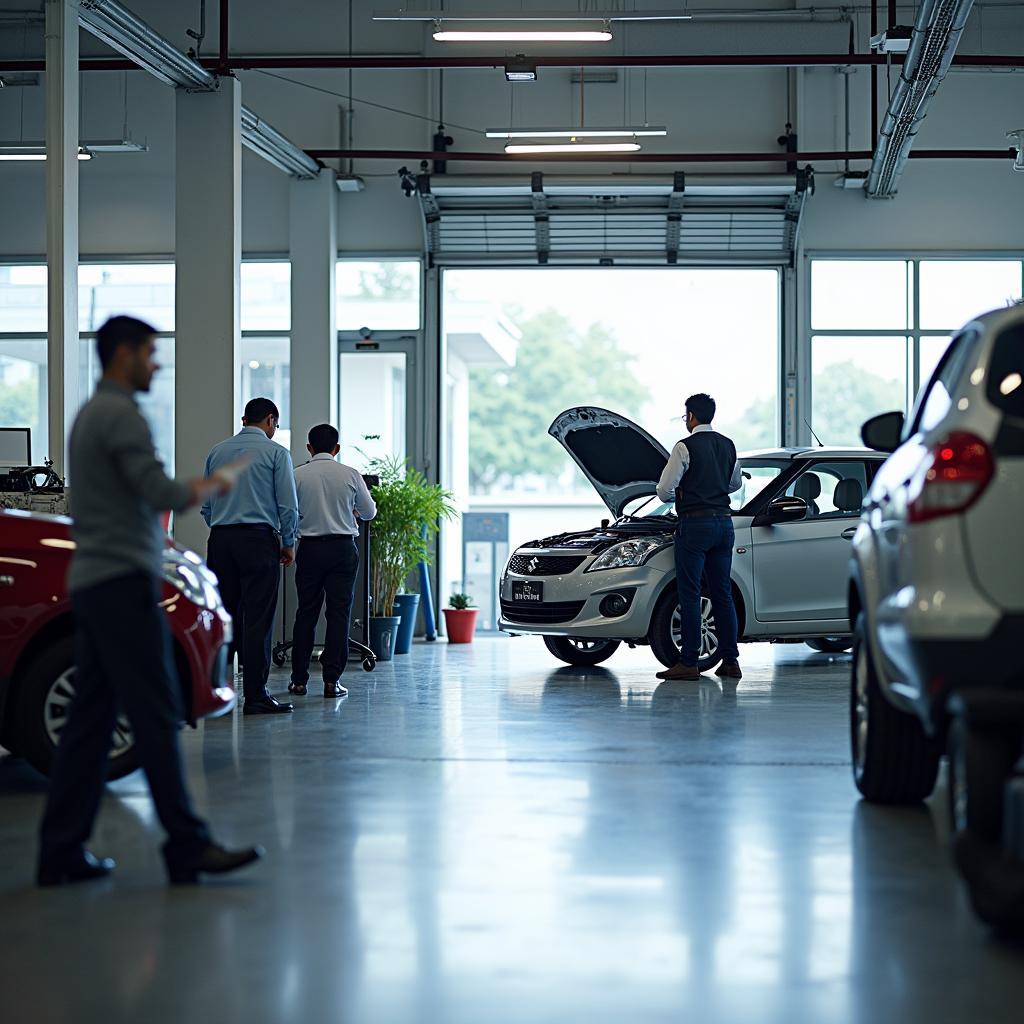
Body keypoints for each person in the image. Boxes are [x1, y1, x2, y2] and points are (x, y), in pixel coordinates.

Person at [38, 316, 262, 887]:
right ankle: (186, 846)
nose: (156, 364)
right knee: (157, 714)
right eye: (150, 352)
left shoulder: (92, 415)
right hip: (121, 584)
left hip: (96, 581)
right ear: (123, 355)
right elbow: (159, 492)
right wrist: (216, 484)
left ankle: (60, 852)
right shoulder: (120, 416)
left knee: (89, 725)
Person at [202, 398, 299, 715]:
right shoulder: (276, 453)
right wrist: (288, 542)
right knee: (257, 619)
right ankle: (255, 695)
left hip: (220, 541)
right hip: (258, 541)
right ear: (271, 420)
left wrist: (224, 527)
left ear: (245, 419)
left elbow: (206, 505)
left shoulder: (217, 452)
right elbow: (287, 504)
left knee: (224, 617)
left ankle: (220, 692)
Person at [654, 393, 743, 682]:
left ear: (691, 416)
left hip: (694, 526)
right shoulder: (728, 445)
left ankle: (689, 662)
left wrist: (684, 492)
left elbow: (664, 491)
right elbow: (735, 483)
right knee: (722, 593)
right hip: (724, 525)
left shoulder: (684, 447)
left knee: (690, 593)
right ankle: (730, 661)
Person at [288, 423, 377, 699]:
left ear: (309, 448)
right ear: (337, 449)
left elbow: (290, 512)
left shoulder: (297, 475)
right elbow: (369, 512)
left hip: (310, 549)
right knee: (339, 615)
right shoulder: (350, 474)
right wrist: (350, 510)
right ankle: (331, 682)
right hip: (342, 550)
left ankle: (299, 681)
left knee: (306, 612)